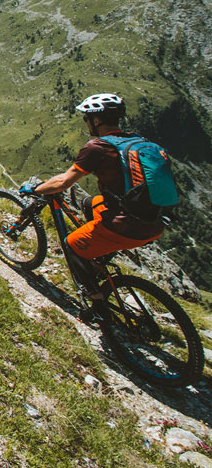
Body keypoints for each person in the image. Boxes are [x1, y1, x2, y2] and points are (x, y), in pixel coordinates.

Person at [21, 93, 166, 317]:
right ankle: (98, 259)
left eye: (86, 118)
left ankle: (97, 304)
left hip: (126, 225)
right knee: (90, 203)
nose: (86, 122)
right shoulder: (138, 141)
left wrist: (35, 189)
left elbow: (63, 182)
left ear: (96, 120)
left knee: (71, 245)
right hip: (154, 223)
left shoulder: (98, 147)